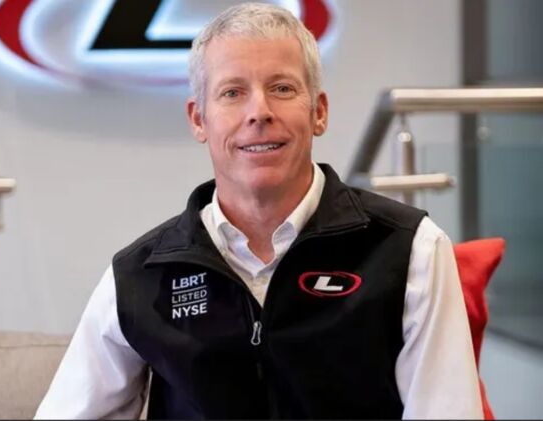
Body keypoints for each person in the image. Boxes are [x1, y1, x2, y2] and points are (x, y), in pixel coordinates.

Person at [35, 2, 483, 419]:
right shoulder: (140, 274)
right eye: (233, 92)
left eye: (282, 88)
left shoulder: (410, 250)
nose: (259, 112)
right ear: (198, 119)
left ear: (319, 112)